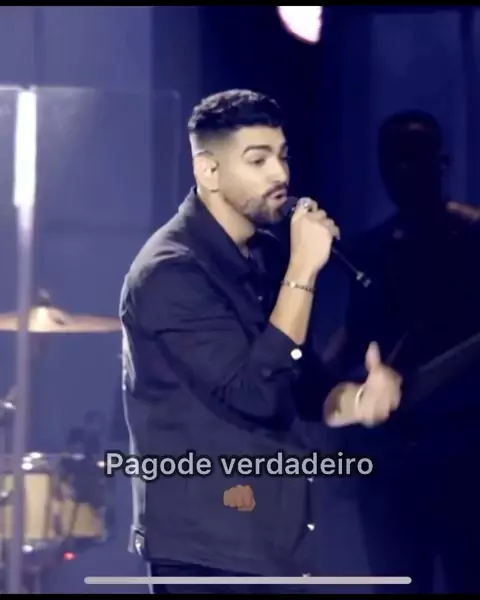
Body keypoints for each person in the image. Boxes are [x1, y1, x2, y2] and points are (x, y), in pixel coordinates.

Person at [119, 89, 402, 595]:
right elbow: (254, 392)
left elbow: (300, 385)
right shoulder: (169, 272)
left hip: (275, 547)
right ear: (208, 171)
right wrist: (303, 269)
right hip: (205, 558)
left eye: (282, 156)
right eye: (258, 160)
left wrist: (359, 401)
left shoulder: (266, 257)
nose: (280, 174)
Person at [324, 109, 480, 593]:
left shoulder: (475, 238)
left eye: (415, 157)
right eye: (393, 160)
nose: (403, 171)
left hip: (466, 458)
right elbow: (354, 339)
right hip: (392, 462)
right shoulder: (370, 251)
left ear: (441, 163)